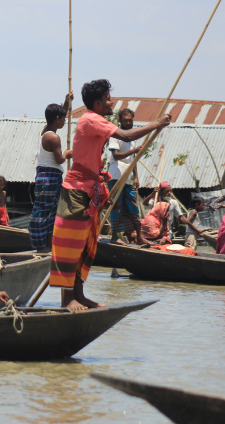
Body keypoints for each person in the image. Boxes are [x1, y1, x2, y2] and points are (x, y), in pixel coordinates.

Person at [51, 79, 170, 310]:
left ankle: (78, 294)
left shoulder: (96, 119)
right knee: (71, 244)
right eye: (107, 98)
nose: (111, 101)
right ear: (97, 103)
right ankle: (67, 300)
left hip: (90, 189)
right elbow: (126, 136)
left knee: (86, 245)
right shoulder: (92, 119)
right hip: (77, 190)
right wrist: (158, 123)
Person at [28, 93, 74, 252]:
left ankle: (48, 245)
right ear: (56, 118)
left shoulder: (45, 130)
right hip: (49, 177)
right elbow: (60, 159)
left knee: (52, 212)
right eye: (63, 118)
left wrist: (66, 103)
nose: (65, 120)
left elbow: (60, 114)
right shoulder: (53, 137)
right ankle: (41, 246)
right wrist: (69, 153)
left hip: (47, 176)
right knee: (44, 212)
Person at [107, 108, 146, 244]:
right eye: (125, 120)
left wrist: (136, 177)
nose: (128, 122)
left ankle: (139, 237)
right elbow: (116, 155)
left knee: (133, 207)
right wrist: (134, 150)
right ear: (120, 121)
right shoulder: (115, 135)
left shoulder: (132, 138)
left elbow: (133, 160)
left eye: (130, 120)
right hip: (116, 175)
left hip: (128, 176)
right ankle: (114, 236)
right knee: (116, 207)